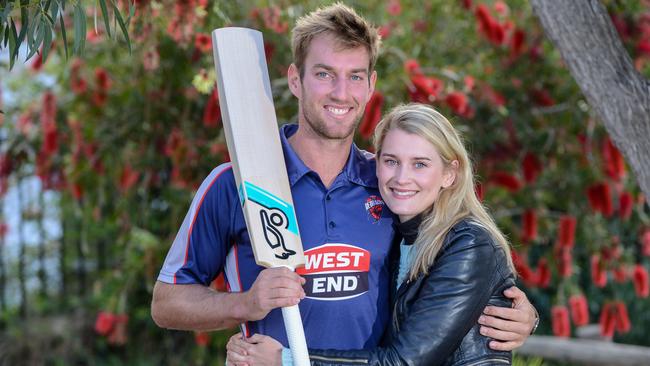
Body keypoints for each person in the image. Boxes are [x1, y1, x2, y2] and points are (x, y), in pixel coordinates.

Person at [151, 2, 537, 353]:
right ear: (296, 80)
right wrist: (245, 302)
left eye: (355, 76)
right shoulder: (235, 184)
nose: (341, 92)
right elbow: (166, 303)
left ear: (370, 85)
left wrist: (519, 314)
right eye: (324, 74)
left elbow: (459, 263)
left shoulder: (392, 185)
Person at [226, 103, 519, 366]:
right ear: (375, 164)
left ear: (449, 174)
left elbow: (405, 361)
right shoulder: (397, 234)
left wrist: (286, 360)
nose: (402, 178)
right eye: (391, 161)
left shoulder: (468, 244)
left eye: (420, 164)